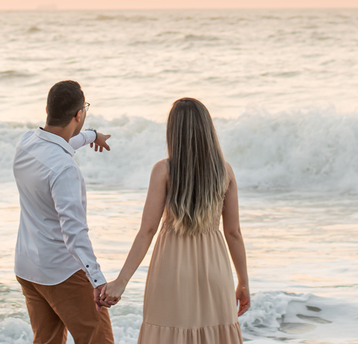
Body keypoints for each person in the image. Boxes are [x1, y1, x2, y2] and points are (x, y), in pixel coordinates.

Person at [99, 97, 250, 344]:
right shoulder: (225, 171)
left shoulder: (163, 170)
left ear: (173, 132)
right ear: (208, 129)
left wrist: (122, 281)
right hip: (216, 269)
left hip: (171, 267)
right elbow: (234, 232)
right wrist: (243, 282)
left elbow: (147, 230)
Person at [13, 80, 115, 344]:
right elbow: (74, 233)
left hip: (28, 267)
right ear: (79, 114)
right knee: (98, 340)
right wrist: (98, 281)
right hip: (62, 272)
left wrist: (92, 135)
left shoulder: (26, 142)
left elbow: (60, 143)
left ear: (48, 109)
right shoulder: (64, 170)